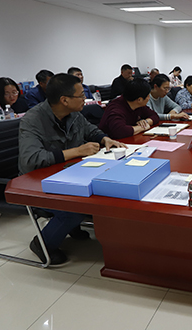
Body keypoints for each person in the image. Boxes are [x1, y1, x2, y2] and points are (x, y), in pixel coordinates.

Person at [19, 73, 126, 265]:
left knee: (109, 189)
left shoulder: (74, 114)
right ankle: (42, 244)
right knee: (73, 208)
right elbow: (31, 159)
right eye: (81, 95)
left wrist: (104, 139)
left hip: (71, 173)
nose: (85, 98)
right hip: (38, 182)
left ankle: (72, 227)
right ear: (64, 100)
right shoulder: (33, 119)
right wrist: (77, 151)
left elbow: (90, 130)